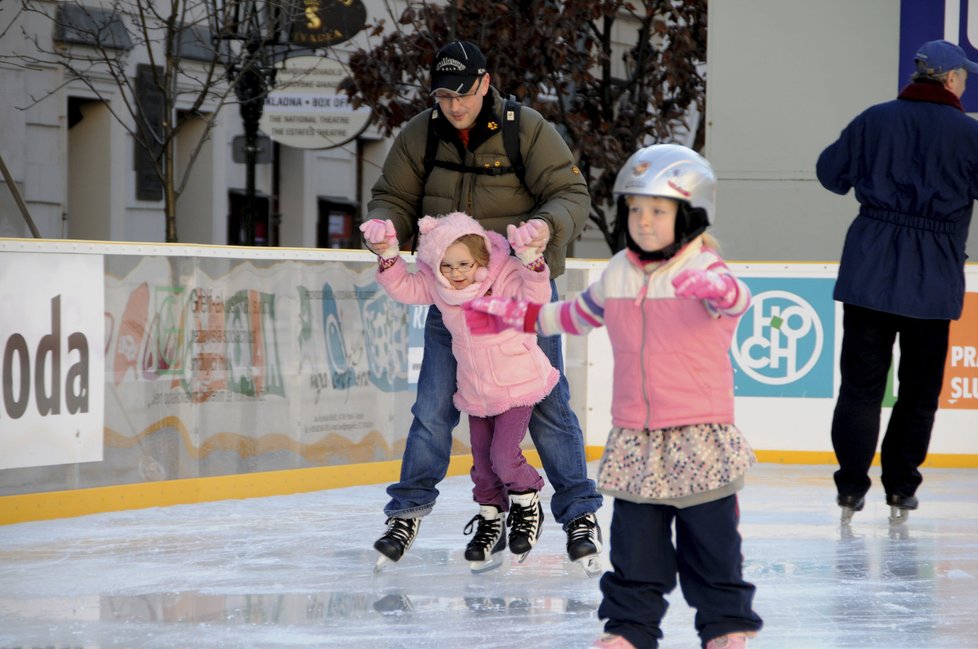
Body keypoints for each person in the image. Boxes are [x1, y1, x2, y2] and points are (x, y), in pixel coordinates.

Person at [464, 144, 763, 649]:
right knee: (635, 547)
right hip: (635, 436)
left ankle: (725, 626)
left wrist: (706, 283)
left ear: (689, 215)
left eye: (659, 211)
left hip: (698, 434)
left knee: (712, 544)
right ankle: (629, 629)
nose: (643, 221)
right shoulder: (621, 270)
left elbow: (736, 297)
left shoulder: (707, 270)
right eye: (636, 209)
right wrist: (509, 314)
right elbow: (573, 316)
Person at [365, 39, 603, 573]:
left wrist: (543, 230)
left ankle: (579, 514)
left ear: (486, 82)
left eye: (464, 93)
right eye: (444, 95)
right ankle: (408, 511)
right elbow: (393, 198)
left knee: (548, 406)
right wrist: (384, 233)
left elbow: (571, 193)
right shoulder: (421, 134)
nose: (454, 105)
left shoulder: (526, 128)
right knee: (433, 410)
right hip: (452, 295)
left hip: (519, 289)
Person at [816, 39, 978, 525]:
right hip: (932, 273)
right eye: (964, 78)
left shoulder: (874, 118)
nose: (965, 85)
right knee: (919, 390)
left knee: (861, 387)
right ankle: (901, 488)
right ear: (950, 79)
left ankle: (850, 487)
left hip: (870, 265)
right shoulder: (968, 134)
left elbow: (830, 173)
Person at [361, 212, 557, 572]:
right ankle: (491, 517)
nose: (455, 272)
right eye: (447, 265)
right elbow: (405, 287)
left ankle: (527, 498)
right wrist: (388, 254)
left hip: (516, 383)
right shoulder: (441, 287)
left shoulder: (505, 274)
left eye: (464, 264)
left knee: (503, 455)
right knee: (482, 466)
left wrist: (531, 261)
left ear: (481, 258)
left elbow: (538, 296)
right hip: (477, 391)